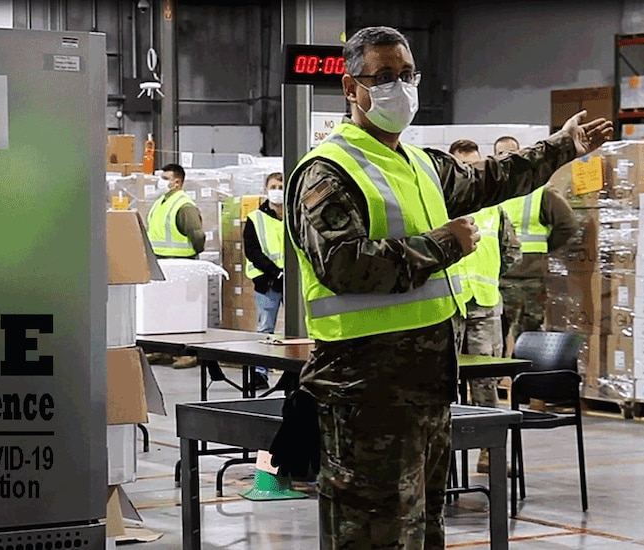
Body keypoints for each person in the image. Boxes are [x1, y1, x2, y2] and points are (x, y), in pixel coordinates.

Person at [272, 25, 612, 549]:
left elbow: (493, 178)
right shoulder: (327, 172)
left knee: (423, 531)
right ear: (350, 88)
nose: (399, 88)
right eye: (383, 77)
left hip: (426, 392)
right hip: (365, 395)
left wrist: (561, 147)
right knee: (372, 534)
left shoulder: (422, 165)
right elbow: (342, 263)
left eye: (407, 75)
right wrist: (443, 245)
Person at [449, 139, 521, 475]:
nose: (468, 173)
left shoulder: (497, 209)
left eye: (473, 167)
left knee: (485, 383)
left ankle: (489, 453)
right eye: (461, 166)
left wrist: (488, 279)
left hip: (485, 306)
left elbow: (511, 253)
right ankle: (442, 454)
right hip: (448, 307)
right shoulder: (437, 207)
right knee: (441, 383)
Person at [494, 136, 579, 354]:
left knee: (529, 339)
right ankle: (502, 385)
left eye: (511, 153)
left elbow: (567, 224)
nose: (506, 158)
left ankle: (527, 384)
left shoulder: (540, 190)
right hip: (497, 279)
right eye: (501, 154)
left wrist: (544, 247)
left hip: (530, 279)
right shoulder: (492, 193)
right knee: (495, 340)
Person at [146, 163, 205, 368]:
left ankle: (188, 353)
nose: (160, 181)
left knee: (183, 310)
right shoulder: (161, 202)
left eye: (165, 178)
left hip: (182, 264)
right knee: (163, 308)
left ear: (177, 182)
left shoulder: (184, 204)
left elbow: (196, 235)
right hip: (162, 263)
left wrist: (194, 254)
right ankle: (163, 350)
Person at [243, 172, 285, 390]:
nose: (277, 190)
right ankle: (260, 373)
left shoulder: (295, 216)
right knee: (265, 329)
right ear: (266, 189)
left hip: (293, 283)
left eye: (281, 186)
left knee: (297, 331)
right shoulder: (255, 218)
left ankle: (293, 371)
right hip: (267, 282)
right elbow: (252, 251)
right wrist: (274, 271)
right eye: (273, 186)